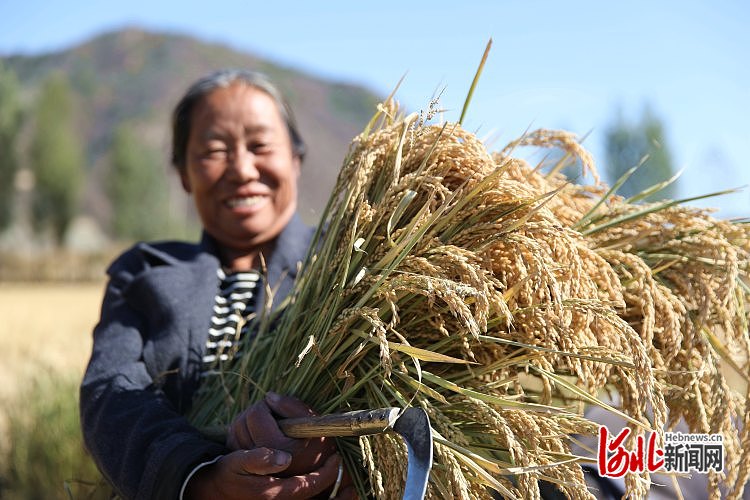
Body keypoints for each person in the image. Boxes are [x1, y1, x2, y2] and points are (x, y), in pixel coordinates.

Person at [80, 69, 354, 500]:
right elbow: (111, 393)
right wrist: (199, 478)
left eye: (261, 145)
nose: (243, 169)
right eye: (213, 150)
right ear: (184, 173)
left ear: (296, 159)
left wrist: (332, 458)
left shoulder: (350, 262)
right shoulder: (143, 273)